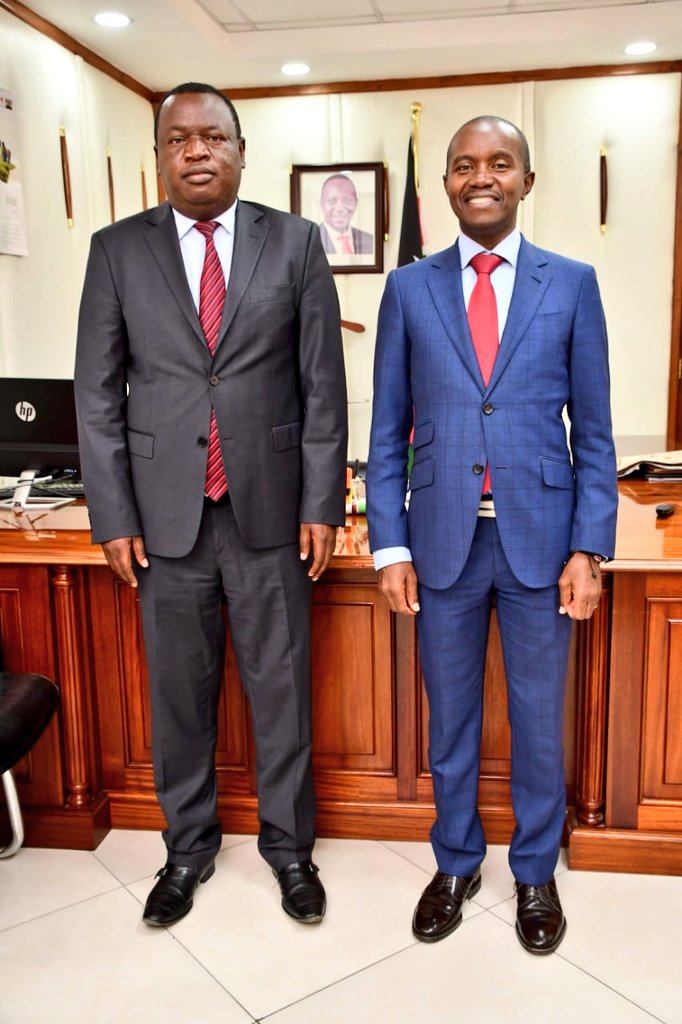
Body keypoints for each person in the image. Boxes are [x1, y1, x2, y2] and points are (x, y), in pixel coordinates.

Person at [74, 82, 347, 928]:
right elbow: (97, 394)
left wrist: (323, 502)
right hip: (165, 522)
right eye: (178, 139)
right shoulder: (117, 249)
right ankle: (186, 849)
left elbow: (321, 385)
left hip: (269, 512)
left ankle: (289, 850)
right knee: (179, 699)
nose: (196, 151)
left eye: (212, 137)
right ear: (160, 156)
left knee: (281, 690)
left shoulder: (296, 242)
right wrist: (114, 516)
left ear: (239, 148)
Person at [366, 115, 617, 955]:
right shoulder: (408, 289)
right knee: (452, 722)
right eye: (466, 165)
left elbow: (598, 431)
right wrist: (389, 544)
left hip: (543, 545)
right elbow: (387, 426)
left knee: (540, 720)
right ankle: (456, 860)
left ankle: (535, 871)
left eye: (500, 163)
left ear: (526, 181)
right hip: (439, 544)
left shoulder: (572, 283)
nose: (483, 176)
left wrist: (590, 547)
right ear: (445, 184)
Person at [318, 173, 373, 256]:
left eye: (347, 201)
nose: (340, 208)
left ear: (356, 203)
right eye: (332, 201)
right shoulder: (310, 241)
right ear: (322, 204)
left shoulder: (370, 241)